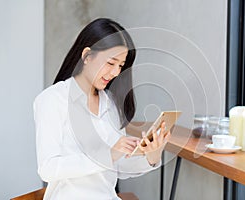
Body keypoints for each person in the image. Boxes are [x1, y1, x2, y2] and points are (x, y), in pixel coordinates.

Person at [33, 18, 170, 200]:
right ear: (87, 56)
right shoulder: (53, 100)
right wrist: (106, 155)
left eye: (120, 66)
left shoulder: (110, 103)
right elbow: (48, 169)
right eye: (111, 63)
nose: (115, 73)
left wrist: (152, 156)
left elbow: (118, 165)